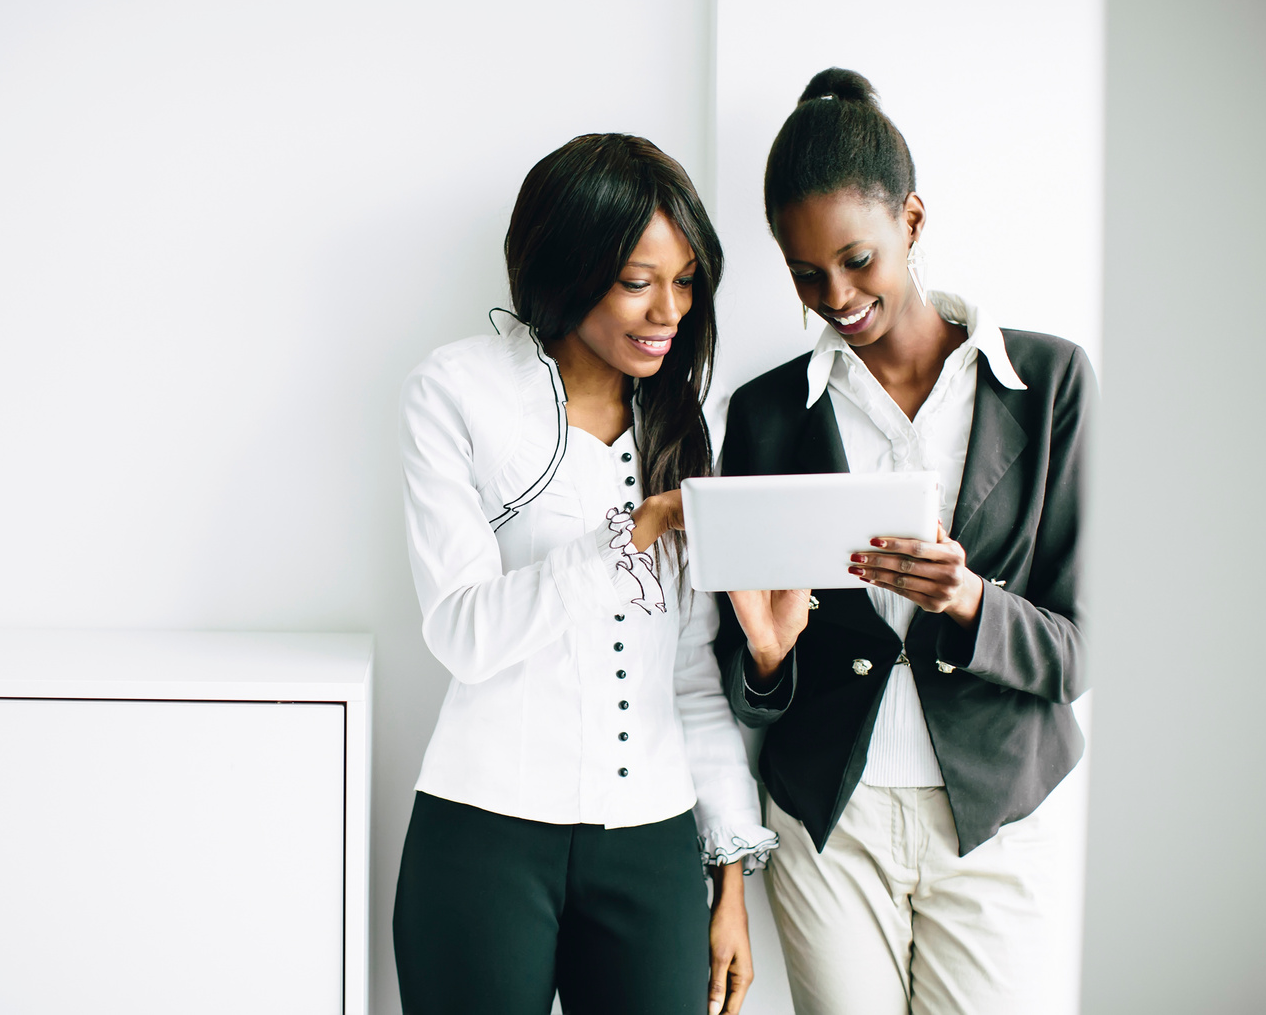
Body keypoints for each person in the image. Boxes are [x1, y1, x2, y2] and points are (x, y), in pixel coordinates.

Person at [716, 68, 1093, 1015]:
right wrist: (765, 659)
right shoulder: (764, 415)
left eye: (858, 260)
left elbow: (1082, 648)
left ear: (912, 223)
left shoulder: (1050, 385)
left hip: (997, 819)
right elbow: (735, 676)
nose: (834, 294)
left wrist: (971, 603)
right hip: (828, 822)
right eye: (806, 273)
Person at [393, 134, 777, 1015]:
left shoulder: (685, 422)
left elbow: (691, 680)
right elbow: (464, 631)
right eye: (638, 280)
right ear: (567, 267)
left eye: (684, 281)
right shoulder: (455, 391)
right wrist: (632, 536)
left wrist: (729, 881)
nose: (667, 310)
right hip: (483, 830)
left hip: (652, 844)